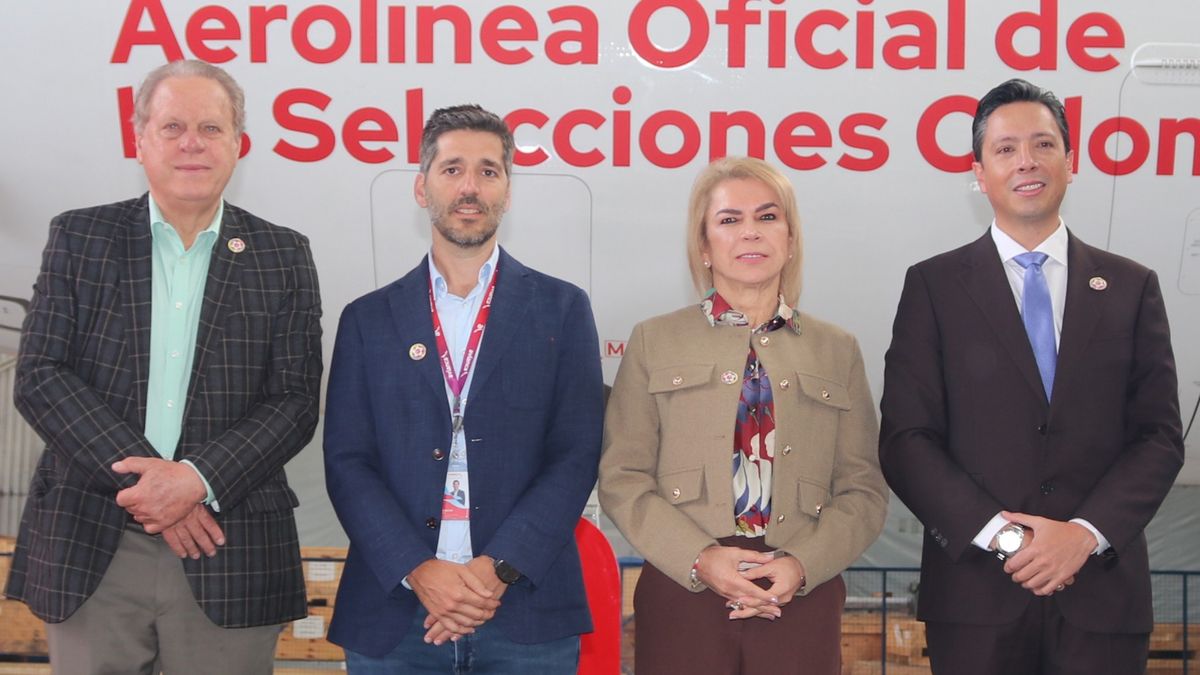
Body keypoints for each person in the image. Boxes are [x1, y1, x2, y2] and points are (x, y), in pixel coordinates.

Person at [6, 60, 323, 674]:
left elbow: (295, 399)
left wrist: (195, 481)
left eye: (211, 127)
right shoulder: (81, 236)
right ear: (140, 137)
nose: (191, 143)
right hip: (92, 544)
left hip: (228, 546)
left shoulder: (282, 254)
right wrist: (152, 489)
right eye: (173, 125)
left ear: (238, 144)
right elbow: (42, 374)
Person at [878, 78, 1184, 675]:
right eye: (1006, 148)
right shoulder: (933, 288)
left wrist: (1083, 535)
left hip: (1102, 593)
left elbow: (1159, 437)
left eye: (1044, 145)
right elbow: (906, 440)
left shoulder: (1131, 287)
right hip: (975, 599)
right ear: (978, 171)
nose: (1027, 161)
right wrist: (1006, 537)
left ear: (1071, 162)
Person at [323, 104, 604, 672]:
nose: (470, 187)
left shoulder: (562, 309)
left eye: (488, 171)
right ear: (421, 188)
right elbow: (347, 462)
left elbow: (575, 455)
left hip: (524, 607)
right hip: (396, 612)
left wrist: (493, 569)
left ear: (507, 190)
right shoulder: (368, 319)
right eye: (452, 169)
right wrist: (420, 570)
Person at [599, 156, 888, 675]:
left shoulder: (837, 350)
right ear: (704, 246)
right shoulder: (653, 340)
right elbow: (623, 478)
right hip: (684, 587)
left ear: (792, 239)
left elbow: (863, 491)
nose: (750, 232)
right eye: (730, 220)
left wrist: (801, 566)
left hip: (800, 592)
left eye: (768, 217)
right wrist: (702, 558)